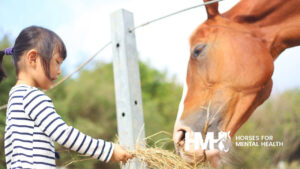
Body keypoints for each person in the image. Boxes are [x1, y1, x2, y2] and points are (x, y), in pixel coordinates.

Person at [0, 26, 133, 168]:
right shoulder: (31, 97)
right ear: (33, 58)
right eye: (57, 62)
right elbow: (63, 134)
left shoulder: (15, 100)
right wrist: (109, 150)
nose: (59, 71)